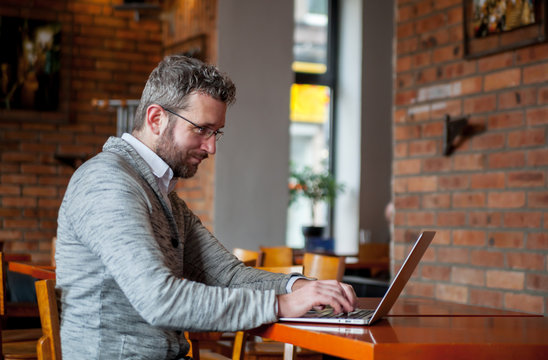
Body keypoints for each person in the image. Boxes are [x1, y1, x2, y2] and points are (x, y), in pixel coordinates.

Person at [56, 55, 357, 359]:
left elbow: (229, 276)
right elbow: (160, 299)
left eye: (216, 133)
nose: (211, 147)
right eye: (201, 129)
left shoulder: (165, 199)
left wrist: (300, 287)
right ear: (156, 119)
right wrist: (282, 305)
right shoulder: (107, 181)